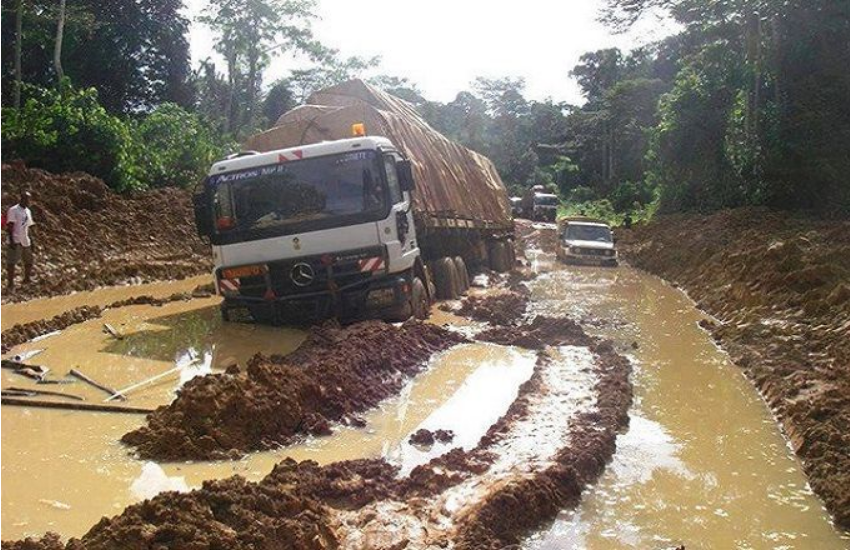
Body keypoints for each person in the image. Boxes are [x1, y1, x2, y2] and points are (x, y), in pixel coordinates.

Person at [6, 191, 35, 291]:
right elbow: (10, 226)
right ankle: (10, 283)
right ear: (21, 199)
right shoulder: (13, 210)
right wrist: (12, 240)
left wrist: (32, 240)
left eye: (29, 199)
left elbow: (28, 227)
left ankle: (27, 279)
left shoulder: (28, 211)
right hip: (15, 239)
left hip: (25, 239)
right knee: (12, 262)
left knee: (29, 260)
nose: (28, 201)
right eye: (26, 199)